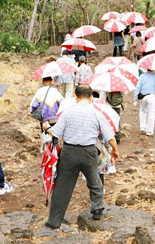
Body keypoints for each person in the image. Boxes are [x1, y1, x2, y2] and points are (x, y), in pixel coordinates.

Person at [45, 85, 119, 229]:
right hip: (88, 152)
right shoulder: (97, 113)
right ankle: (97, 209)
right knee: (94, 180)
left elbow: (55, 133)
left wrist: (46, 128)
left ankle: (54, 221)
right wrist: (115, 150)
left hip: (69, 153)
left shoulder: (68, 112)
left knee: (62, 186)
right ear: (91, 97)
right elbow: (110, 136)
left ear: (76, 97)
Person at [30, 76, 64, 149]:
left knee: (45, 134)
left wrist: (34, 112)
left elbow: (33, 105)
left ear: (42, 82)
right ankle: (54, 150)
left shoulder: (39, 92)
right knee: (55, 134)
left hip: (44, 119)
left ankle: (46, 151)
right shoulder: (55, 91)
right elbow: (62, 103)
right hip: (54, 118)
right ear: (51, 81)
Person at [132, 69, 155, 136]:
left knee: (142, 111)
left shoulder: (142, 76)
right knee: (151, 113)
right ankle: (149, 130)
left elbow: (138, 87)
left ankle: (142, 127)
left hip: (142, 96)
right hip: (151, 95)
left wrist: (135, 98)